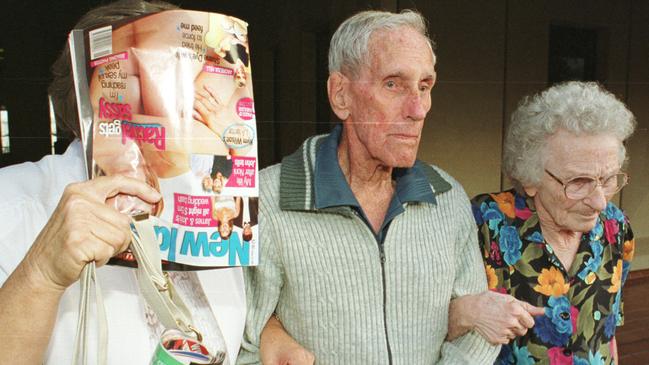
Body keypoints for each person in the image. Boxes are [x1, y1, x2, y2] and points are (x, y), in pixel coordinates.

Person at [238, 10, 500, 364]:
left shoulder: (447, 196)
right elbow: (238, 342)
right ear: (341, 95)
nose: (418, 108)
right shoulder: (266, 200)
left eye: (425, 87)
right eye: (393, 84)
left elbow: (479, 331)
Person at [0, 1, 245, 364]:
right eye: (132, 76)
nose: (161, 100)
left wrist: (271, 332)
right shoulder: (11, 201)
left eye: (183, 81)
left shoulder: (219, 206)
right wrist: (40, 274)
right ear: (80, 103)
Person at [467, 81, 636, 364]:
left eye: (607, 180)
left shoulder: (616, 228)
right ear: (529, 176)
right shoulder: (485, 223)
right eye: (578, 182)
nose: (600, 202)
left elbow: (607, 334)